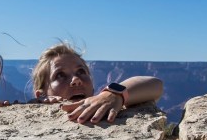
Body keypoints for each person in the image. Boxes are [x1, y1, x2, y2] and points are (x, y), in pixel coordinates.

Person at [28, 43, 163, 125]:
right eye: (60, 75)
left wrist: (114, 95)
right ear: (41, 94)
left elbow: (156, 85)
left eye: (81, 71)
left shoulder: (108, 106)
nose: (76, 80)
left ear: (92, 85)